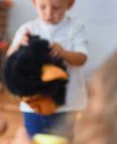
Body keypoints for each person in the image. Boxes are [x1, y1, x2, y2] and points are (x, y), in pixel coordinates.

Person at [6, 0, 87, 136]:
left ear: (69, 4)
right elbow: (10, 58)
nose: (49, 13)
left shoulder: (75, 27)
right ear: (34, 3)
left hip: (67, 103)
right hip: (34, 102)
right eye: (42, 7)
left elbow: (82, 59)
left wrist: (63, 53)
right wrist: (19, 45)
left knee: (62, 143)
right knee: (34, 140)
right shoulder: (28, 28)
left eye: (56, 7)